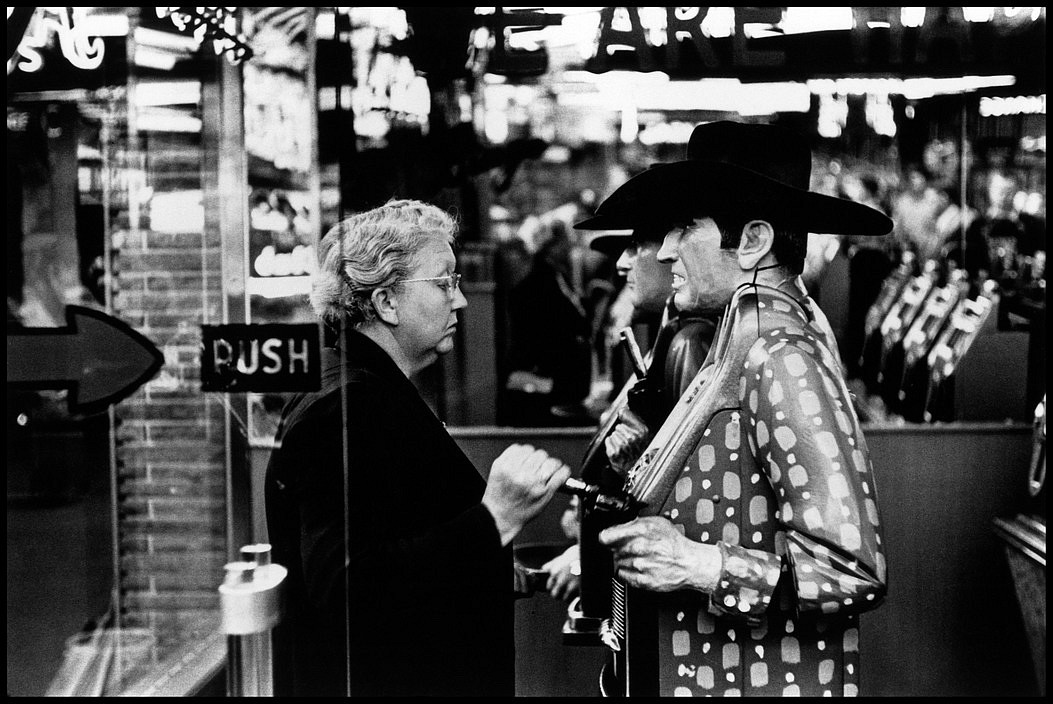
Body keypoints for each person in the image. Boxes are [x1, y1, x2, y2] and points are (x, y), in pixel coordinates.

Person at [588, 121, 891, 696]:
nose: (665, 248)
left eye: (684, 227)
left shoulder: (783, 355)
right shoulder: (744, 336)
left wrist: (696, 564)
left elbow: (853, 570)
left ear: (753, 240)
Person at [264, 199, 572, 697]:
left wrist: (489, 568)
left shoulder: (362, 387)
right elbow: (347, 585)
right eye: (444, 282)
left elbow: (398, 530)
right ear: (386, 302)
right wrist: (495, 517)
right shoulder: (348, 405)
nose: (462, 300)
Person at [542, 220, 717, 614]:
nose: (622, 263)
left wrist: (587, 558)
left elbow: (676, 500)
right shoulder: (665, 338)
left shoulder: (687, 345)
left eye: (637, 246)